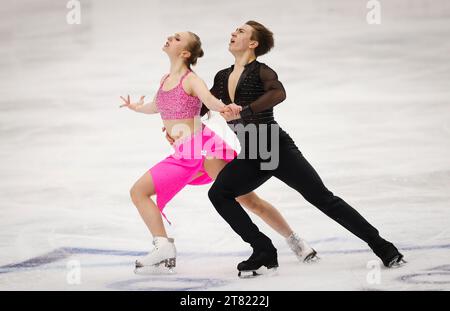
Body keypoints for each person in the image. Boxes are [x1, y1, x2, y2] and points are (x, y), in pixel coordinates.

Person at [205, 20, 405, 277]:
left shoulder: (262, 72)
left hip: (275, 146)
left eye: (241, 31)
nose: (233, 32)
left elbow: (279, 94)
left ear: (253, 43)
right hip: (252, 153)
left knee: (322, 199)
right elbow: (202, 104)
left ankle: (382, 246)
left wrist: (244, 109)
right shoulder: (222, 77)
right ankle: (263, 249)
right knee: (219, 193)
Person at [120, 31, 317, 273]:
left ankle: (295, 241)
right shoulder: (164, 80)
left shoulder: (191, 80)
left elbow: (210, 100)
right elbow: (158, 106)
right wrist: (136, 108)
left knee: (248, 200)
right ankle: (163, 247)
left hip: (203, 148)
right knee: (245, 199)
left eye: (177, 38)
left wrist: (227, 108)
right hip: (186, 151)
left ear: (185, 53)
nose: (170, 37)